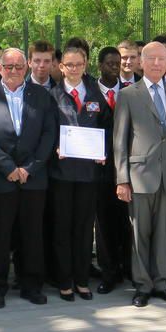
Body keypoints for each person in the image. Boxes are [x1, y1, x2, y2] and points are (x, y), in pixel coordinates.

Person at [114, 41, 166, 307]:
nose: (157, 64)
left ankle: (161, 283)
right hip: (139, 176)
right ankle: (142, 285)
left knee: (164, 233)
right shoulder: (129, 95)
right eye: (151, 59)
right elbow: (120, 140)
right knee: (140, 234)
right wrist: (122, 179)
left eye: (163, 59)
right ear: (141, 61)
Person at [0, 47, 58, 307]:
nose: (13, 71)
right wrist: (8, 167)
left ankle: (31, 285)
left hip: (34, 177)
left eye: (18, 66)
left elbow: (48, 135)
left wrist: (29, 168)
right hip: (2, 178)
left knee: (32, 234)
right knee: (1, 234)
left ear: (26, 68)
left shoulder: (42, 96)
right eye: (7, 66)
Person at [49, 44, 112, 301]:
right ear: (61, 67)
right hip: (61, 173)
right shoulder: (52, 96)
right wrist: (55, 146)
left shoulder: (96, 96)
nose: (74, 69)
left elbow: (108, 128)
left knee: (85, 228)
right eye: (69, 65)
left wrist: (103, 151)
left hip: (88, 173)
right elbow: (48, 129)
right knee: (62, 228)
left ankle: (82, 280)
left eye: (79, 64)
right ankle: (65, 281)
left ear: (85, 65)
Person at [94, 46, 132, 292]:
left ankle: (128, 268)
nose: (115, 67)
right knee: (103, 222)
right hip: (98, 169)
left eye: (118, 63)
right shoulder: (89, 92)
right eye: (110, 63)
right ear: (99, 66)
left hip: (127, 167)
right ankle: (108, 273)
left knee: (126, 221)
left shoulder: (131, 92)